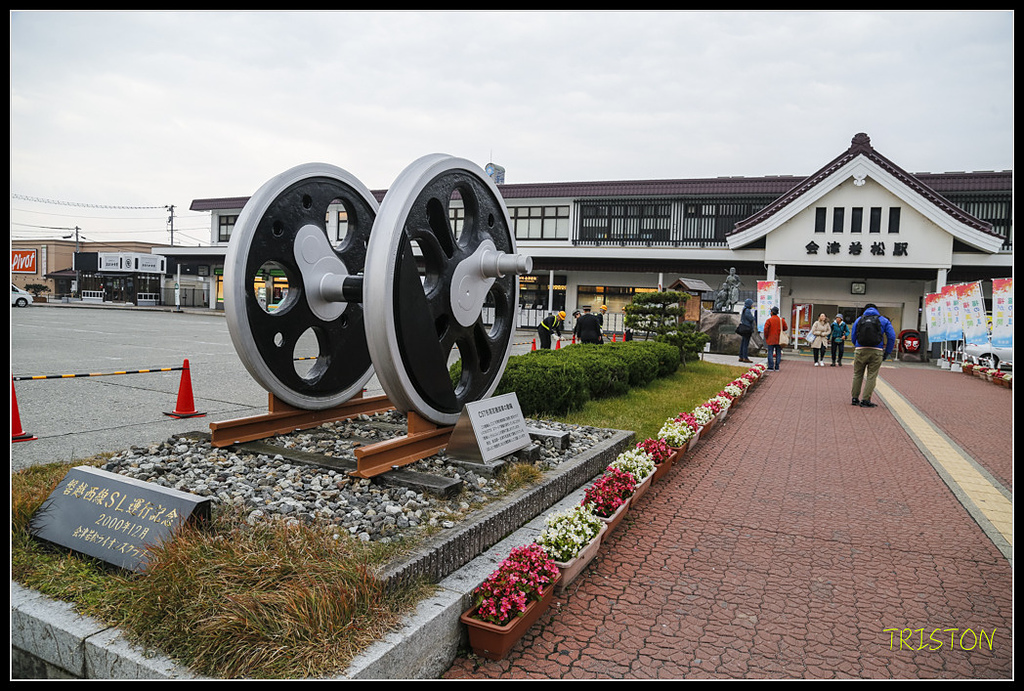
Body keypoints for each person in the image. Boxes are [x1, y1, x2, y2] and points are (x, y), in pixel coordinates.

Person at [849, 303, 896, 407]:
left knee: (857, 374)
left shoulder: (859, 320)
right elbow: (892, 337)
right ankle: (865, 400)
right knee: (871, 376)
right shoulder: (883, 320)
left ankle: (854, 398)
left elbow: (853, 335)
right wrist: (887, 352)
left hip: (860, 350)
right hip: (876, 351)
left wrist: (857, 345)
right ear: (876, 310)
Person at [762, 306, 788, 371]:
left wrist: (766, 336)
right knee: (778, 353)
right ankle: (777, 367)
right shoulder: (781, 320)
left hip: (771, 339)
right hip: (779, 339)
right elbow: (785, 328)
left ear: (772, 312)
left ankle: (770, 367)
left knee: (770, 352)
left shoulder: (769, 320)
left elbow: (765, 329)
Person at [736, 298, 756, 363]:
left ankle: (741, 356)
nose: (752, 305)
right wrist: (754, 317)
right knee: (745, 344)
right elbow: (751, 318)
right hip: (747, 329)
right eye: (751, 304)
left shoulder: (744, 309)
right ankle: (745, 357)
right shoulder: (747, 310)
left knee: (743, 342)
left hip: (744, 328)